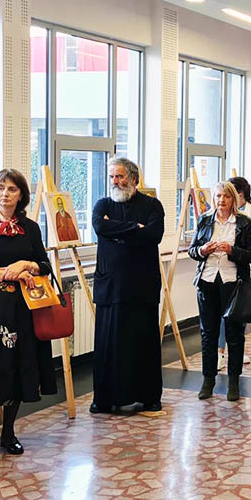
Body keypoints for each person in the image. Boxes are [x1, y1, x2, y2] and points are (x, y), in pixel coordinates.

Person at [0, 169, 57, 461]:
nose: (5, 194)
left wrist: (26, 264)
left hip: (23, 310)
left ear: (21, 196)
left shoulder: (31, 228)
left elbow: (45, 265)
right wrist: (7, 273)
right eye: (1, 188)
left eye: (12, 189)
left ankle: (8, 434)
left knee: (17, 367)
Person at [90, 157, 165, 414]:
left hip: (141, 287)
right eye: (112, 176)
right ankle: (104, 399)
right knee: (108, 344)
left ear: (134, 179)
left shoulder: (152, 205)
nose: (115, 181)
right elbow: (100, 226)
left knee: (143, 344)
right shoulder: (102, 204)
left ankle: (149, 397)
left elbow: (154, 235)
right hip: (110, 287)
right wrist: (135, 228)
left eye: (120, 176)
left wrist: (117, 230)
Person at [189, 181, 251, 402]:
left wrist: (231, 250)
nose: (222, 200)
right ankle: (208, 380)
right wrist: (203, 250)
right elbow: (192, 250)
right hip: (207, 280)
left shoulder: (244, 223)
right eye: (218, 196)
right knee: (208, 333)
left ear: (233, 199)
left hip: (233, 282)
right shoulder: (204, 220)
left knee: (234, 333)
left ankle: (234, 381)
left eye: (226, 196)